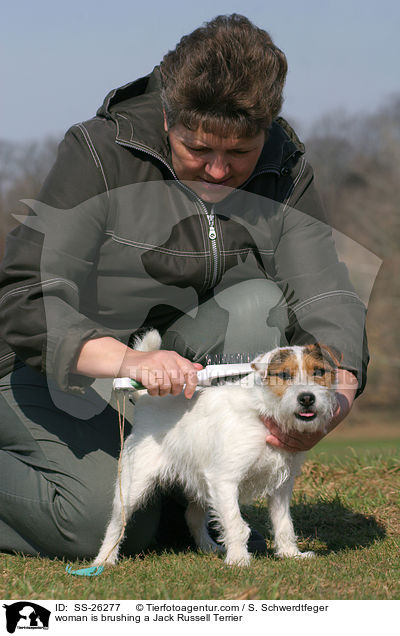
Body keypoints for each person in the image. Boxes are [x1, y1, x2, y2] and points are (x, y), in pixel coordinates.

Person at [0, 14, 367, 559]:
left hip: (182, 378)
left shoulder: (285, 162)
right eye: (198, 149)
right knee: (95, 522)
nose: (218, 171)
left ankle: (193, 495)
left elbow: (324, 292)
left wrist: (340, 385)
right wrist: (126, 361)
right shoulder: (99, 151)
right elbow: (27, 294)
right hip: (67, 370)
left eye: (239, 153)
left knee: (259, 306)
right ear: (168, 116)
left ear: (266, 129)